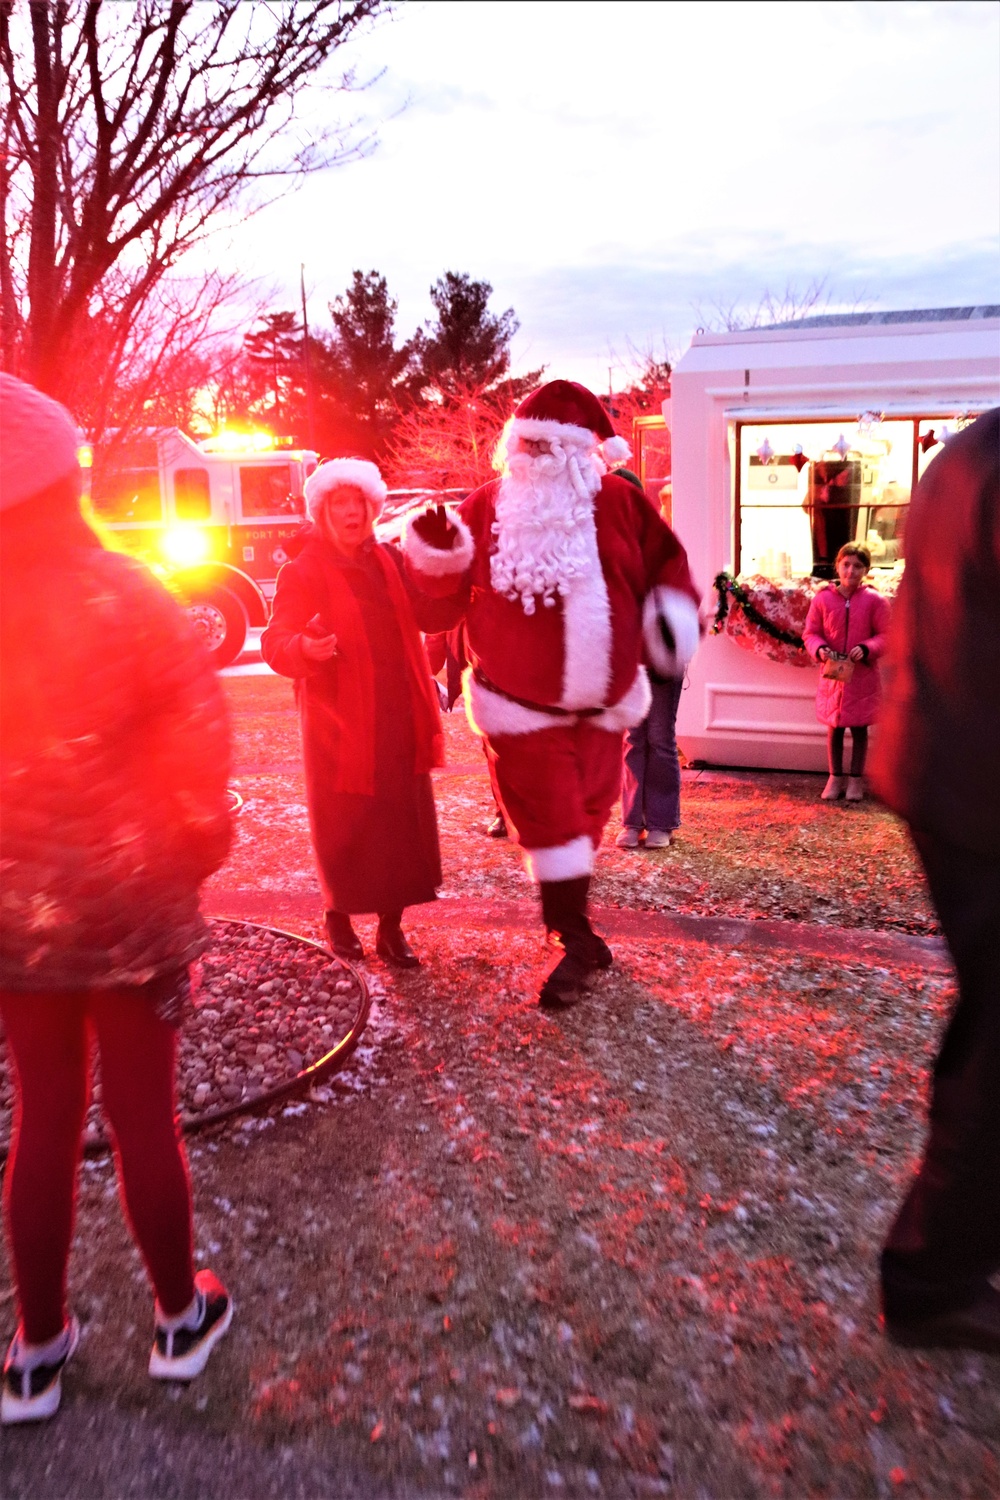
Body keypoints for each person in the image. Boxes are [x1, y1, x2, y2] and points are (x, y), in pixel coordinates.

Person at [0, 374, 234, 1425]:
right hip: (134, 908)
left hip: (12, 917)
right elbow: (200, 739)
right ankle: (180, 1319)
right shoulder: (134, 592)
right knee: (144, 1116)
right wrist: (192, 845)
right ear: (66, 474)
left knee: (40, 1120)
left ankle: (35, 1351)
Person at [400, 380, 700, 1008]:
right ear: (511, 446)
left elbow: (666, 565)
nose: (536, 455)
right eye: (527, 443)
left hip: (603, 708)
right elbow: (439, 609)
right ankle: (574, 937)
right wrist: (436, 557)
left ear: (583, 451)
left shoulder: (620, 504)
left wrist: (669, 617)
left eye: (549, 444)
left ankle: (572, 921)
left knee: (586, 816)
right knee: (553, 820)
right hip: (518, 710)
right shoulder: (484, 508)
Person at [872, 407, 1000, 1354]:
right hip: (982, 790)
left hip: (946, 770)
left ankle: (943, 1260)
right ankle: (932, 1273)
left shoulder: (970, 445)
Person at [260, 459, 457, 968]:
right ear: (322, 511)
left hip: (396, 712)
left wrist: (443, 558)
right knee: (344, 823)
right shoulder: (302, 569)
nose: (351, 512)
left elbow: (434, 612)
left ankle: (392, 929)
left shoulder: (391, 561)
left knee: (397, 823)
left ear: (372, 508)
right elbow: (275, 642)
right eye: (339, 503)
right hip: (335, 720)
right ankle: (338, 916)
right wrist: (305, 645)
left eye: (359, 503)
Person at [612, 467, 685, 851]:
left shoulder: (659, 541)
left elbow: (678, 594)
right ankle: (630, 819)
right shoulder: (605, 544)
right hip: (626, 657)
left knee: (658, 737)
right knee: (632, 738)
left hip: (659, 653)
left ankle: (660, 821)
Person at [803, 542, 890, 803]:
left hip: (862, 676)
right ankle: (835, 776)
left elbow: (887, 635)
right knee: (835, 727)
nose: (851, 571)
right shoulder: (822, 599)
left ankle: (855, 780)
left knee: (860, 728)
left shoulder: (875, 601)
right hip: (834, 676)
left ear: (866, 570)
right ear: (838, 566)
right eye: (846, 564)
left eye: (858, 566)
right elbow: (811, 633)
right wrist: (819, 649)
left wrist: (868, 647)